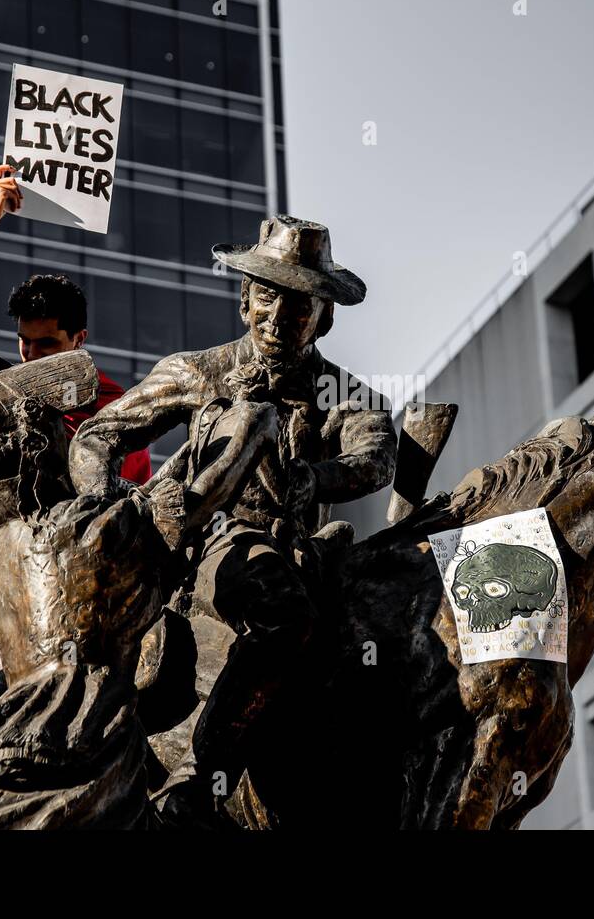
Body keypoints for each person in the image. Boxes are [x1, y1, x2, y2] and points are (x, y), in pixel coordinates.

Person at [69, 214, 397, 824]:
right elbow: (96, 437)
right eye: (268, 298)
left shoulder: (342, 391)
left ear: (323, 317)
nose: (278, 320)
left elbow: (375, 458)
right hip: (211, 543)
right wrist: (104, 509)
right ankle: (201, 771)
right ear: (246, 300)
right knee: (285, 613)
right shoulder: (199, 371)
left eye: (299, 308)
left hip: (304, 546)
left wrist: (314, 480)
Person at [0, 163, 152, 630]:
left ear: (79, 338)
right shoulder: (0, 387)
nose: (32, 356)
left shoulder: (117, 408)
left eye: (48, 345)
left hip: (84, 597)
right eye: (25, 342)